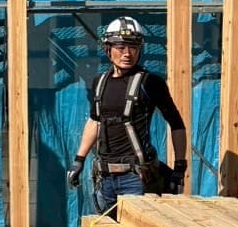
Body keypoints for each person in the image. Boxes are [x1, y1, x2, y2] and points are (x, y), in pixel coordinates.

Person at [65, 17, 187, 216]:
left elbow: (176, 123)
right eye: (121, 47)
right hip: (104, 177)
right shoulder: (99, 82)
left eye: (133, 47)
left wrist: (179, 167)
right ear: (108, 49)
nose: (127, 53)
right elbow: (95, 121)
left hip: (136, 178)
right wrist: (79, 160)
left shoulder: (150, 83)